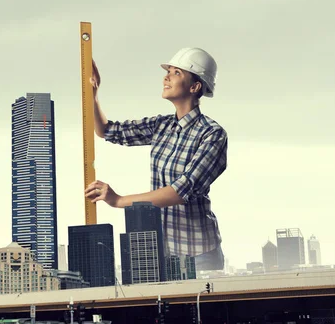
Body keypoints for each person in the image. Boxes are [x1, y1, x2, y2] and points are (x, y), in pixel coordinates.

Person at [84, 47, 228, 271]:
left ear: (195, 86)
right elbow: (107, 131)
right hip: (163, 251)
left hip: (199, 255)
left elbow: (181, 191)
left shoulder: (212, 135)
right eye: (168, 70)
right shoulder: (161, 126)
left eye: (176, 72)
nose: (166, 76)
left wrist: (119, 200)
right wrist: (93, 95)